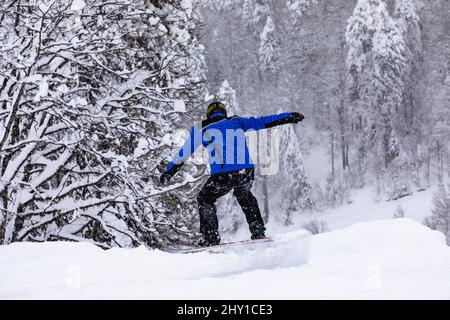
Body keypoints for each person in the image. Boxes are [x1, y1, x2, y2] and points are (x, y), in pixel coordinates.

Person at [160, 98, 305, 246]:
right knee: (244, 195)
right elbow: (263, 122)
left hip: (223, 174)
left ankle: (210, 238)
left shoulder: (201, 128)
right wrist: (288, 117)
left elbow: (184, 153)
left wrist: (168, 172)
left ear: (209, 114)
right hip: (246, 171)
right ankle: (258, 231)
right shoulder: (236, 121)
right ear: (224, 112)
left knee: (205, 199)